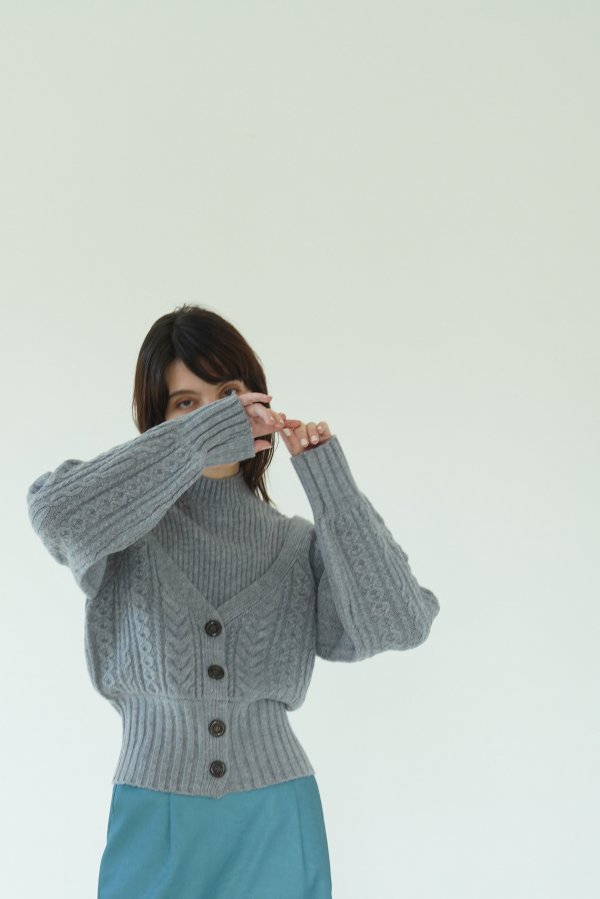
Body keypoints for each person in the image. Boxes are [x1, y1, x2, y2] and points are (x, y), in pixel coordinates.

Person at [26, 305, 441, 899]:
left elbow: (398, 623)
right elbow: (54, 515)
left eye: (227, 396)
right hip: (153, 818)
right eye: (186, 403)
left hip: (277, 820)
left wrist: (332, 486)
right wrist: (198, 442)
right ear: (160, 420)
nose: (215, 416)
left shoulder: (295, 546)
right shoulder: (121, 532)